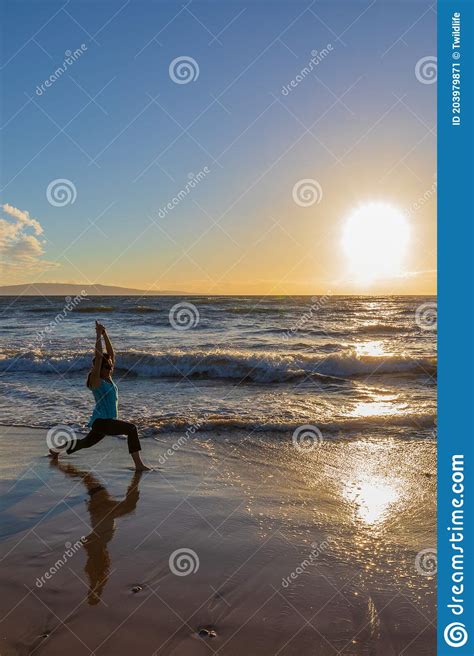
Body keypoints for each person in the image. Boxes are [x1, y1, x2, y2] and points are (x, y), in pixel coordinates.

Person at [50, 321, 150, 471]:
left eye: (110, 366)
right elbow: (98, 358)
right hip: (102, 422)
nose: (110, 368)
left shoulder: (108, 378)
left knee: (85, 443)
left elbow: (111, 355)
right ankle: (139, 465)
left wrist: (105, 334)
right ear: (99, 367)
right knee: (131, 429)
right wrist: (97, 335)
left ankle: (55, 450)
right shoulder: (96, 381)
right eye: (107, 366)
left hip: (106, 421)